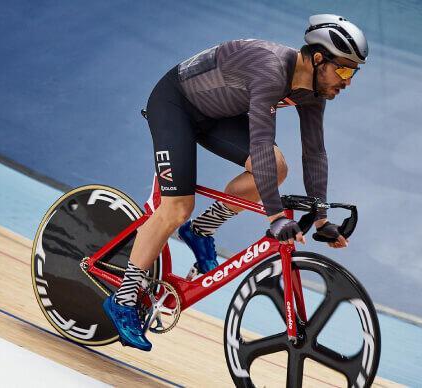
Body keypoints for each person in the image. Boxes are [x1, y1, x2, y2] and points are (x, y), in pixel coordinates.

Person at [103, 14, 369, 351]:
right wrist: (274, 218)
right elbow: (259, 142)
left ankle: (202, 230)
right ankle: (123, 299)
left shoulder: (313, 92)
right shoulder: (271, 69)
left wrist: (321, 219)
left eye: (353, 72)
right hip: (176, 105)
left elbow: (314, 152)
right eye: (344, 69)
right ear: (318, 59)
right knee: (177, 207)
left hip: (217, 114)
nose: (348, 81)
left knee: (275, 168)